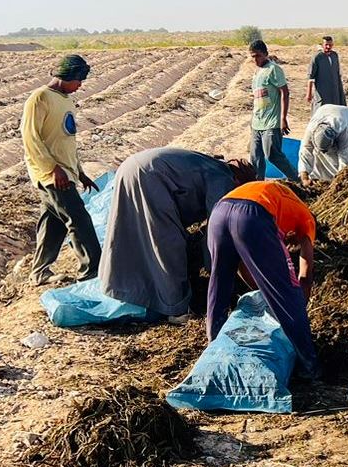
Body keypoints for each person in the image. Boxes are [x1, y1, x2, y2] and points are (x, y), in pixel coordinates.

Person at [98, 149, 256, 319]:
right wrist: (219, 271)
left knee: (129, 232)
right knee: (168, 244)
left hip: (130, 168)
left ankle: (123, 288)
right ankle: (175, 308)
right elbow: (216, 231)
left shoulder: (212, 164)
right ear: (238, 180)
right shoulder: (223, 178)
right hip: (152, 178)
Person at [205, 179, 320, 373]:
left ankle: (213, 343)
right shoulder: (307, 218)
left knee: (220, 281)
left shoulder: (282, 200)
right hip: (254, 214)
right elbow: (305, 275)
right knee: (288, 291)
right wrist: (298, 303)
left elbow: (243, 263)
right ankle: (309, 365)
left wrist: (265, 292)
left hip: (219, 212)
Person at [20, 54, 100, 285]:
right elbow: (31, 139)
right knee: (79, 220)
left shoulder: (65, 99)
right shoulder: (39, 98)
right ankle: (92, 270)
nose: (80, 85)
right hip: (52, 175)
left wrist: (80, 172)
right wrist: (53, 169)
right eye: (78, 80)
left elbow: (67, 141)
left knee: (53, 223)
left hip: (66, 173)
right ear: (67, 76)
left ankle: (39, 271)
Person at [247, 39, 300, 181]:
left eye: (258, 56)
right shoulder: (257, 72)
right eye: (252, 56)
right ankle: (257, 185)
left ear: (265, 54)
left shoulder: (274, 69)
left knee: (273, 155)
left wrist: (283, 118)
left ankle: (296, 179)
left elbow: (285, 92)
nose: (255, 59)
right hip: (257, 122)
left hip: (272, 122)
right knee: (255, 158)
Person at [298, 103, 348, 184]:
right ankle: (323, 180)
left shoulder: (341, 129)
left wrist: (341, 180)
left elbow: (344, 155)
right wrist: (304, 177)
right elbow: (305, 151)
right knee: (320, 157)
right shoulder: (311, 130)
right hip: (326, 111)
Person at [306, 35, 347, 107]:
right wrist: (308, 94)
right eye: (326, 45)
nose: (328, 47)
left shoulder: (334, 55)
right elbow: (311, 77)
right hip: (322, 91)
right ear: (322, 45)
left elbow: (337, 73)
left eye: (330, 45)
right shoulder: (317, 57)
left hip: (335, 90)